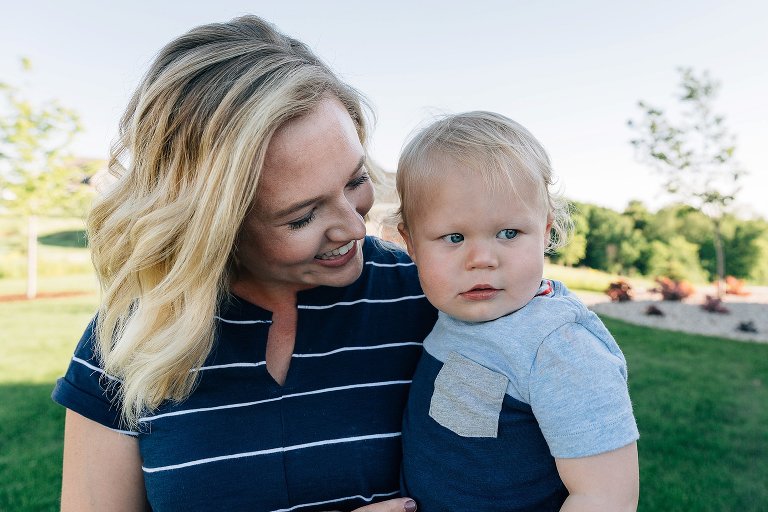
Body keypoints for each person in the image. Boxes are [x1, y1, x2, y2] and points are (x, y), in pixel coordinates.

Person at [51, 15, 436, 512]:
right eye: (302, 217)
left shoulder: (436, 301)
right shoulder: (129, 342)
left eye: (355, 180)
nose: (354, 228)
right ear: (214, 227)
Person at [396, 111, 640, 511]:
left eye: (509, 233)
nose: (482, 259)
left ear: (544, 231)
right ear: (411, 244)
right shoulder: (453, 314)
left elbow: (607, 496)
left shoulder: (559, 348)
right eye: (454, 237)